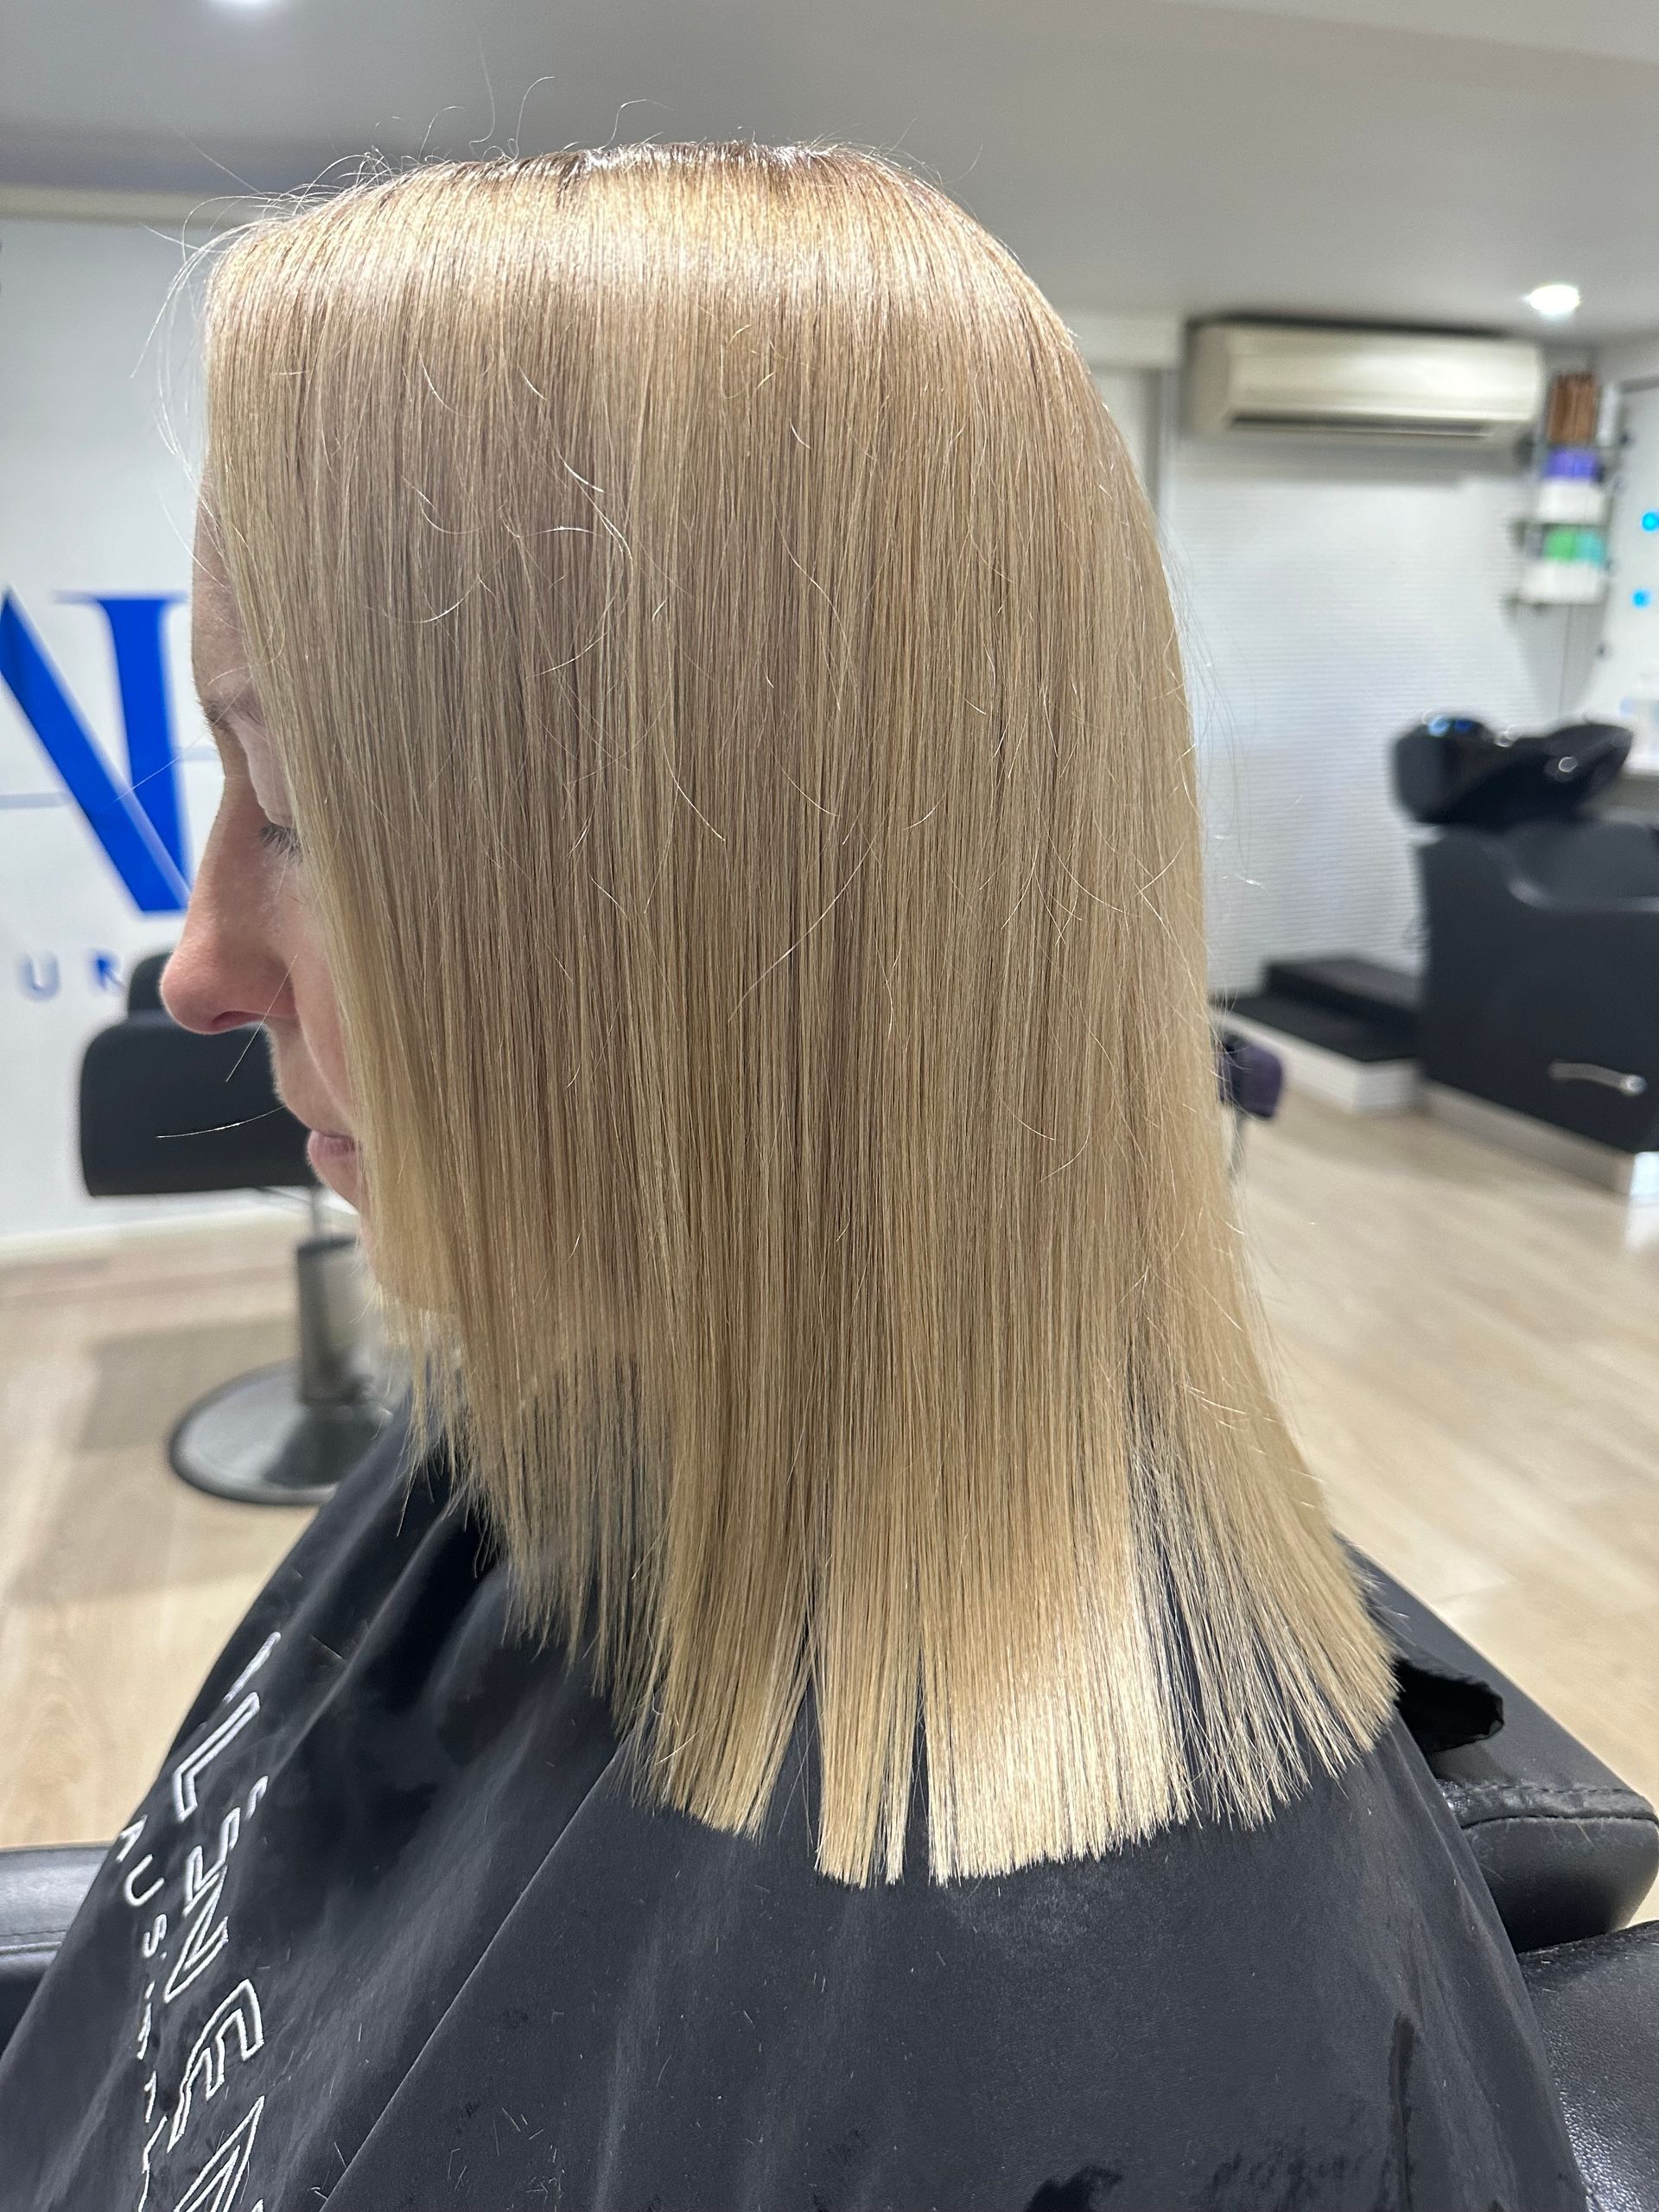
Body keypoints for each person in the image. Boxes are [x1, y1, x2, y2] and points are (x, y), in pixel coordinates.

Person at [0, 142, 1586, 2211]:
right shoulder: (558, 1420)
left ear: (685, 904)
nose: (197, 962)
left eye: (291, 807)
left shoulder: (1095, 2073)